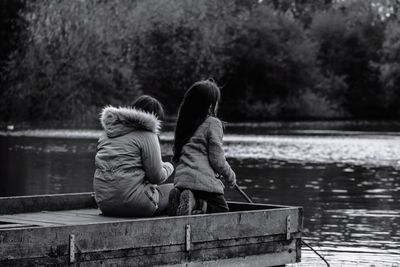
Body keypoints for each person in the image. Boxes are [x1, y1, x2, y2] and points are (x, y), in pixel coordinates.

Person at [93, 95, 174, 217]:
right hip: (135, 204)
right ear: (155, 119)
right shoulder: (148, 135)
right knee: (176, 189)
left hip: (104, 204)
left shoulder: (106, 134)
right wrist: (169, 166)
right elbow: (156, 177)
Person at [168, 80, 236, 216]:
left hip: (182, 181)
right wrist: (230, 176)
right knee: (222, 210)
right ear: (211, 105)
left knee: (192, 200)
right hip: (204, 184)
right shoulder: (213, 123)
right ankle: (196, 204)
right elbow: (217, 159)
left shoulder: (184, 123)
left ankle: (183, 198)